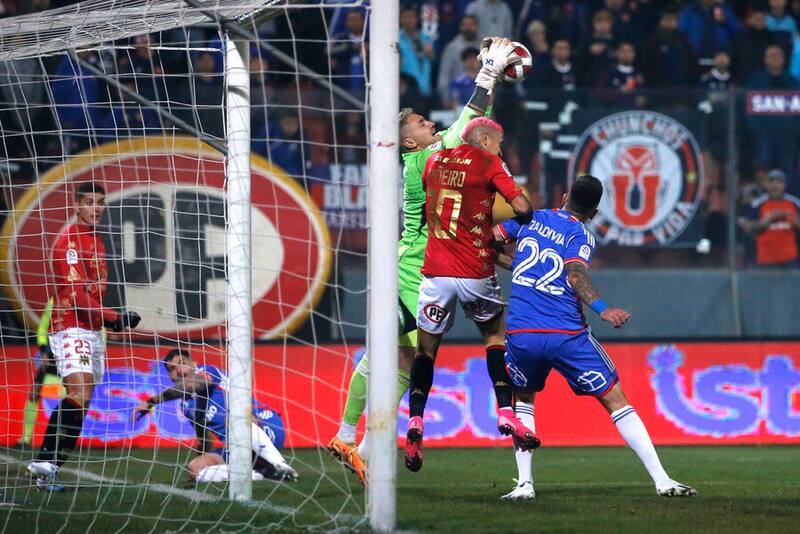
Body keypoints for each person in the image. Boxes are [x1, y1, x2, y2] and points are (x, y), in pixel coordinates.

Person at [326, 38, 519, 484]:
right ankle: (350, 439)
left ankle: (353, 443)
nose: (429, 122)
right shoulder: (419, 161)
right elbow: (466, 125)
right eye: (420, 122)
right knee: (407, 356)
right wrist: (487, 73)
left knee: (400, 358)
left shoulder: (431, 159)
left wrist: (490, 83)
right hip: (413, 269)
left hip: (420, 266)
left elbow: (470, 130)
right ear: (409, 140)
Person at [493, 175, 696, 500]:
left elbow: (489, 240)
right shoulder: (580, 234)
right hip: (565, 333)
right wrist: (602, 309)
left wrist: (509, 262)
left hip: (522, 332)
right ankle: (662, 480)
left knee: (525, 400)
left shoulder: (531, 217)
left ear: (564, 197)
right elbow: (575, 274)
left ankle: (524, 485)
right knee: (615, 399)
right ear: (595, 212)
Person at [404, 116, 536, 473]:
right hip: (475, 272)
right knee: (494, 338)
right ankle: (506, 411)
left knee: (425, 351)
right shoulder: (489, 162)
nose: (500, 149)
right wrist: (502, 225)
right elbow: (524, 209)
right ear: (485, 138)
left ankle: (416, 420)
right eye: (499, 142)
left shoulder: (433, 161)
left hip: (435, 273)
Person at [27, 182, 141, 490]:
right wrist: (115, 317)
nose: (96, 208)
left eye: (100, 202)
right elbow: (75, 295)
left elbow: (92, 294)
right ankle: (44, 462)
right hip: (69, 325)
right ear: (76, 205)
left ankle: (48, 470)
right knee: (78, 393)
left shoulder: (97, 241)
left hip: (91, 329)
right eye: (90, 202)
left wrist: (107, 322)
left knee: (84, 399)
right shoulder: (70, 241)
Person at [132, 349, 297, 482]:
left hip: (265, 426)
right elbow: (205, 438)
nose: (178, 371)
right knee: (195, 468)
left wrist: (152, 401)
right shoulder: (185, 406)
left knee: (237, 419)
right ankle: (262, 474)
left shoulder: (208, 371)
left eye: (182, 363)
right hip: (237, 448)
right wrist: (202, 457)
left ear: (193, 364)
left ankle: (280, 465)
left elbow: (191, 385)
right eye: (171, 369)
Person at [14, 298, 63, 448]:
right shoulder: (54, 300)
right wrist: (43, 349)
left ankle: (63, 438)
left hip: (72, 354)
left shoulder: (85, 299)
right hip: (51, 353)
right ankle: (25, 438)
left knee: (71, 397)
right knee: (34, 393)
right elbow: (43, 327)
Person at [741, 169, 800, 268]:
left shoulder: (794, 203)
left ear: (784, 185)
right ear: (766, 185)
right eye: (771, 182)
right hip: (766, 260)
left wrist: (793, 219)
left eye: (778, 182)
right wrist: (767, 220)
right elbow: (747, 226)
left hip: (790, 260)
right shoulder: (758, 204)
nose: (775, 186)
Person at [437, 15, 481, 107]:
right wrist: (446, 98)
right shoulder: (451, 47)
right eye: (465, 25)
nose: (468, 28)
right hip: (456, 98)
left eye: (471, 25)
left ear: (477, 26)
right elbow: (444, 75)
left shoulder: (485, 47)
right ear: (460, 27)